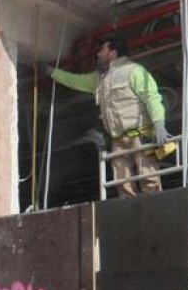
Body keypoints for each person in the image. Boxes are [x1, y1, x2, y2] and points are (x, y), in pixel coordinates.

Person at [44, 37, 171, 196]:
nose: (98, 54)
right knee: (122, 184)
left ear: (113, 53)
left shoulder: (134, 71)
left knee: (149, 179)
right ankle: (130, 212)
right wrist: (51, 72)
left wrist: (159, 125)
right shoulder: (100, 78)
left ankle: (156, 208)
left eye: (102, 50)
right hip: (118, 139)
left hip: (140, 134)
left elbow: (152, 98)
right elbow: (74, 81)